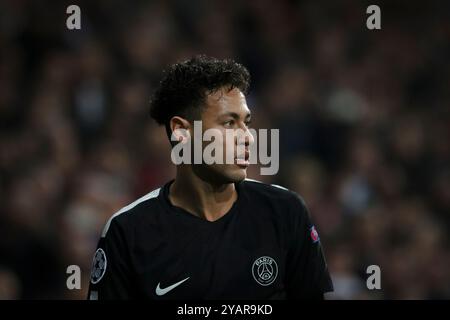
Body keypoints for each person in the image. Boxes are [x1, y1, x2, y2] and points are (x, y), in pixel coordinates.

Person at [87, 55, 333, 299]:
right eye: (229, 123)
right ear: (181, 131)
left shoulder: (284, 212)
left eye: (246, 122)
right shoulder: (128, 232)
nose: (248, 137)